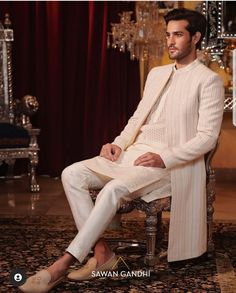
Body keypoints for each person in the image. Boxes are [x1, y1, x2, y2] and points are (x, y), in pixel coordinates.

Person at [20, 8, 224, 293]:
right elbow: (137, 118)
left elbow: (206, 138)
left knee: (113, 189)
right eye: (168, 35)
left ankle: (62, 265)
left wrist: (164, 157)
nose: (170, 42)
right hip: (134, 154)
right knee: (72, 173)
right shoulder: (157, 73)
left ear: (196, 37)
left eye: (178, 35)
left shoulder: (207, 80)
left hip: (168, 165)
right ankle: (103, 254)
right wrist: (118, 143)